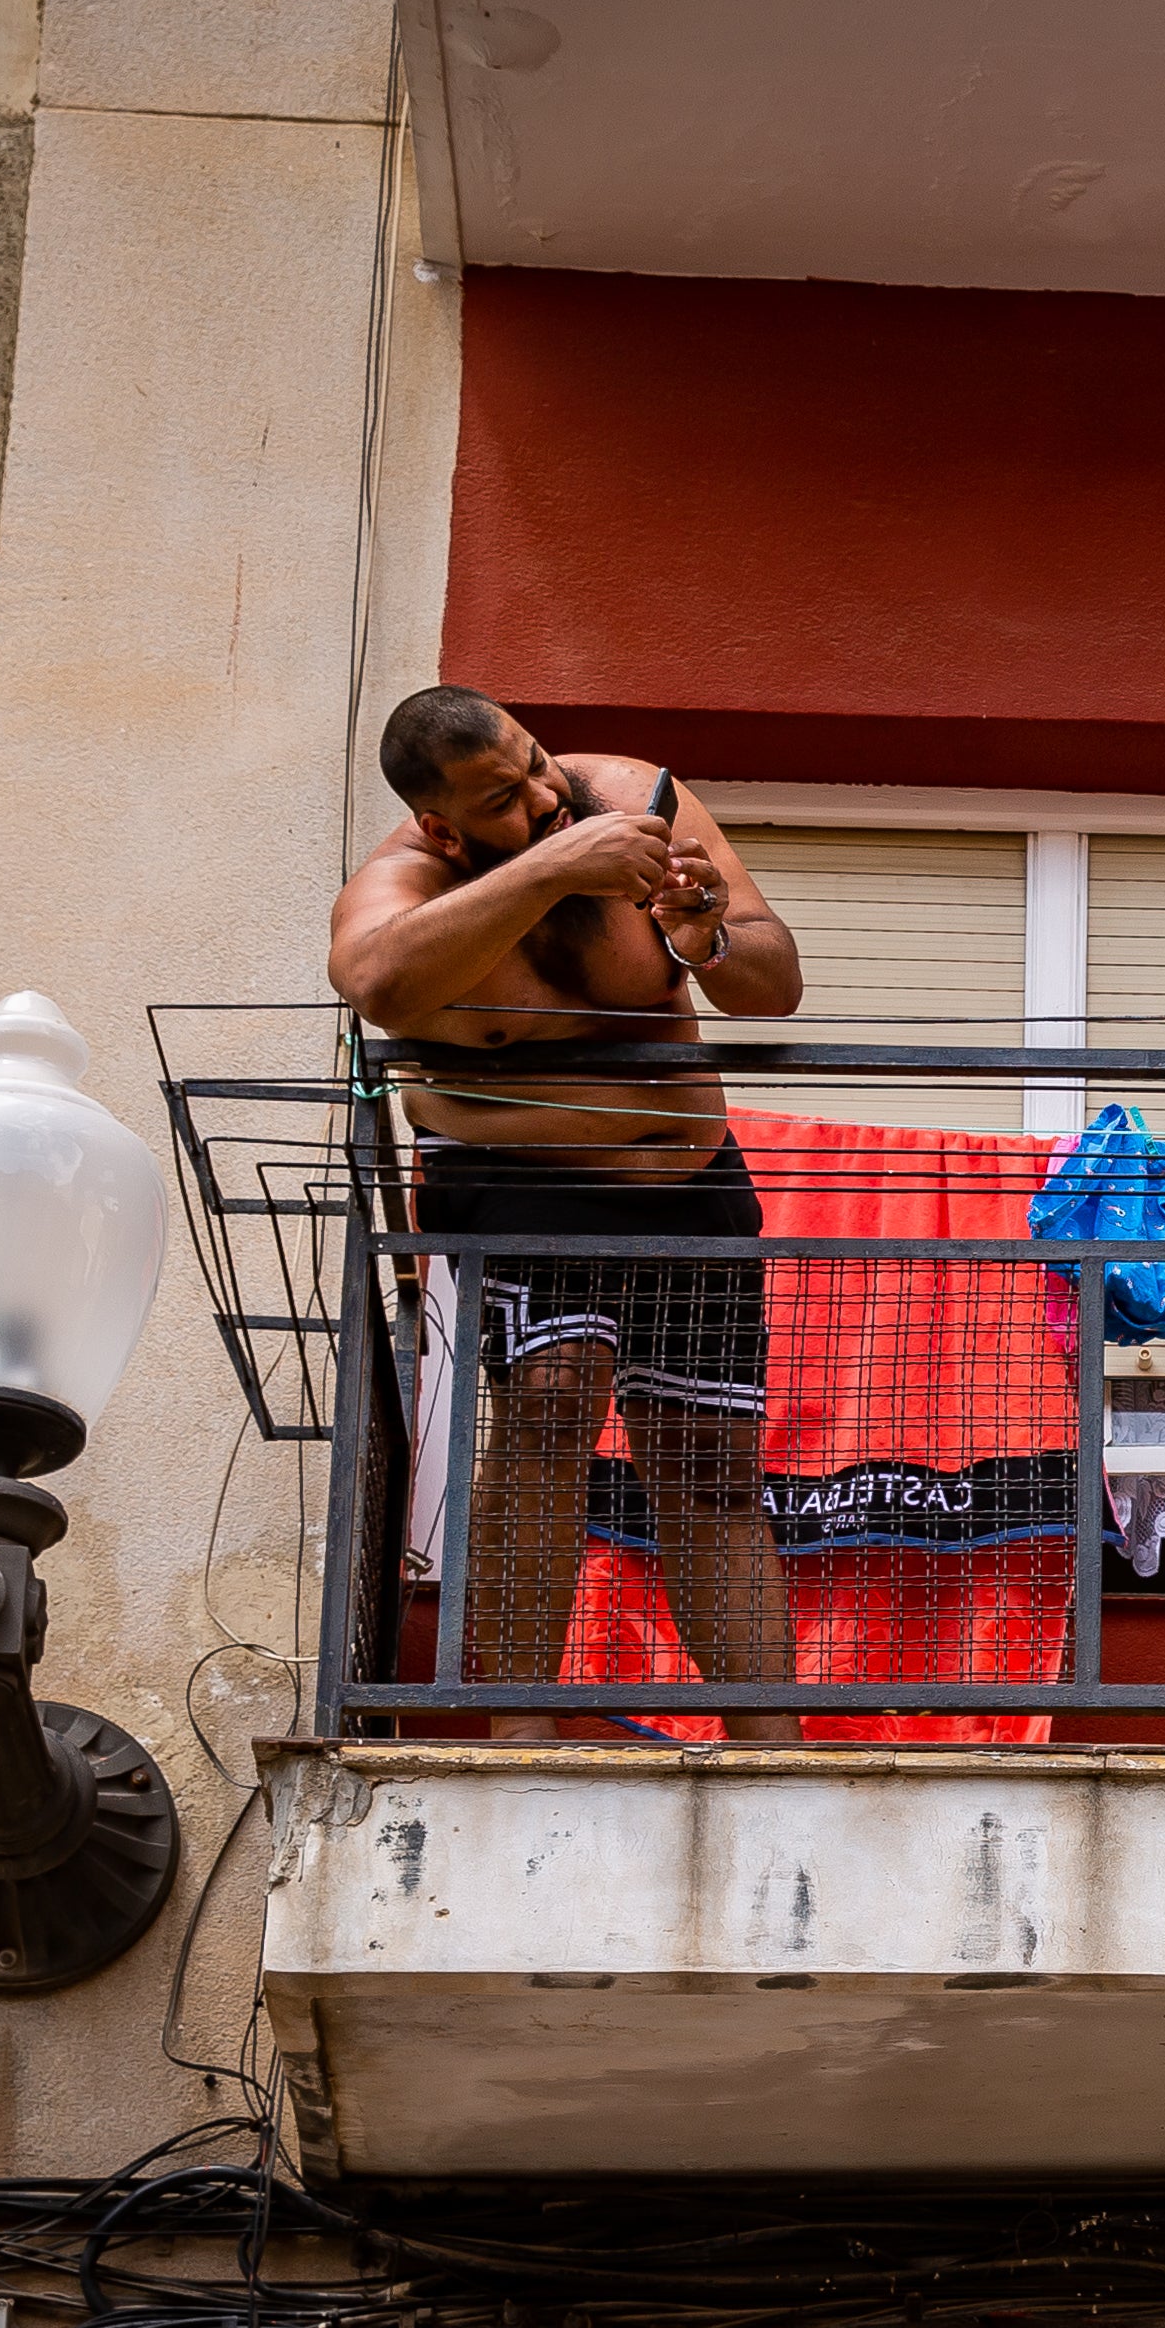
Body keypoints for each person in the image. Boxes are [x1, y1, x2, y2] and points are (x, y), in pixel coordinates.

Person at [326, 686, 808, 1740]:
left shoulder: (636, 795)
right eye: (507, 796)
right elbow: (374, 980)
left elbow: (776, 987)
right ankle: (517, 1726)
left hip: (690, 1186)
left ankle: (771, 1748)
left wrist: (707, 936)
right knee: (549, 1402)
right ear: (442, 826)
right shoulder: (405, 883)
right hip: (518, 1174)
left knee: (706, 1462)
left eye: (537, 759)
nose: (548, 794)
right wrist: (557, 868)